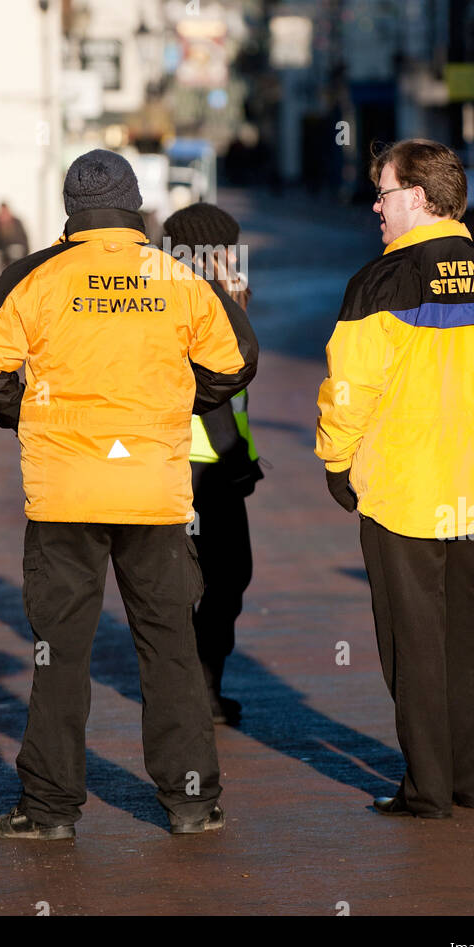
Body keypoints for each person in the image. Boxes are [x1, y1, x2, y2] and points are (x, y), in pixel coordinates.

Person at [0, 150, 258, 839]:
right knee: (169, 644)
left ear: (71, 210)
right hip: (153, 491)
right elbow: (235, 361)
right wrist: (172, 408)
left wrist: (27, 415)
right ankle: (190, 802)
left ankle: (50, 809)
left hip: (65, 492)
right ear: (132, 206)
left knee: (58, 653)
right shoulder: (175, 277)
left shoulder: (36, 276)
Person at [316, 138, 474, 820]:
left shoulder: (379, 283)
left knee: (412, 642)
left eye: (382, 195)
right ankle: (473, 782)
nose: (376, 210)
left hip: (402, 489)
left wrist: (336, 460)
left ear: (416, 197)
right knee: (469, 638)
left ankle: (426, 789)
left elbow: (349, 389)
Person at [163, 202, 263, 726]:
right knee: (206, 580)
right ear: (204, 252)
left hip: (213, 466)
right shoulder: (189, 299)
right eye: (227, 246)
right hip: (196, 466)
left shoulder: (215, 295)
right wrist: (237, 457)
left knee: (222, 577)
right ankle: (194, 693)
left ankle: (202, 687)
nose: (234, 254)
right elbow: (219, 385)